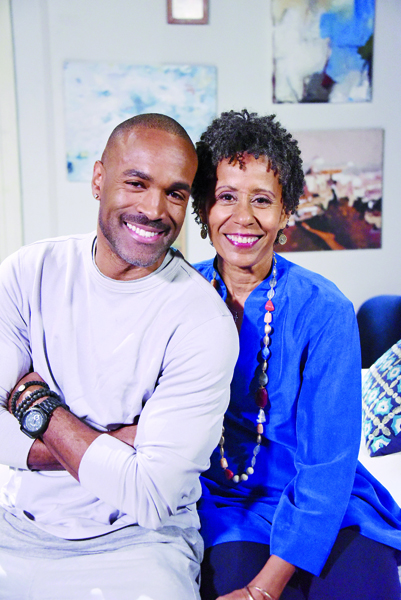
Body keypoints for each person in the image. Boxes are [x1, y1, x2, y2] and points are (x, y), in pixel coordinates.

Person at [0, 113, 239, 599]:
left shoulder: (203, 321)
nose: (154, 209)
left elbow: (150, 494)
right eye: (136, 183)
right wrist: (121, 443)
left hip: (140, 546)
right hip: (19, 527)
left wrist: (36, 408)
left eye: (175, 193)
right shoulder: (29, 273)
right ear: (98, 179)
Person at [191, 109, 401, 600]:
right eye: (226, 196)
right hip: (228, 505)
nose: (243, 217)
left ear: (286, 212)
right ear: (204, 206)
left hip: (328, 500)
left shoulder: (325, 309)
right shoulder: (177, 296)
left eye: (262, 200)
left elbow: (327, 463)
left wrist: (264, 589)